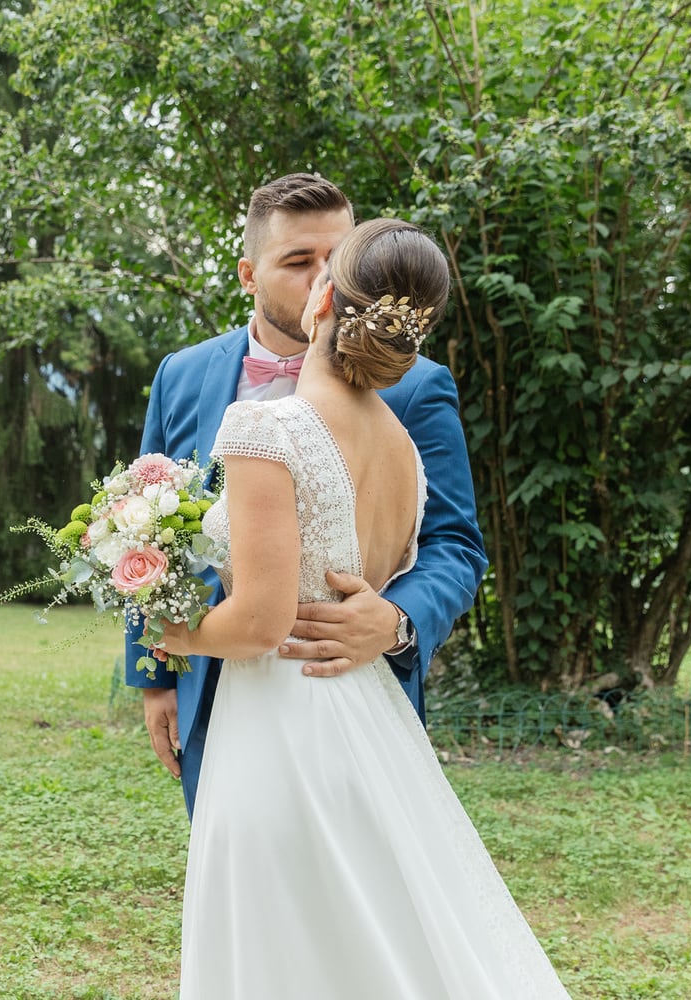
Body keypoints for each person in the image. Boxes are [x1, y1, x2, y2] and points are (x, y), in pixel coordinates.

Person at [156, 218, 570, 996]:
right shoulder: (400, 446)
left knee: (286, 942)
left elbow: (261, 623)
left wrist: (175, 630)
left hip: (281, 726)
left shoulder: (265, 427)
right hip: (367, 714)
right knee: (378, 931)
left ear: (321, 303)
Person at [126, 173, 487, 818]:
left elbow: (455, 544)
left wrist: (397, 621)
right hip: (213, 683)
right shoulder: (181, 375)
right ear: (248, 274)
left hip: (349, 681)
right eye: (298, 261)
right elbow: (142, 534)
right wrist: (154, 675)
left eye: (338, 257)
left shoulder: (417, 387)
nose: (327, 278)